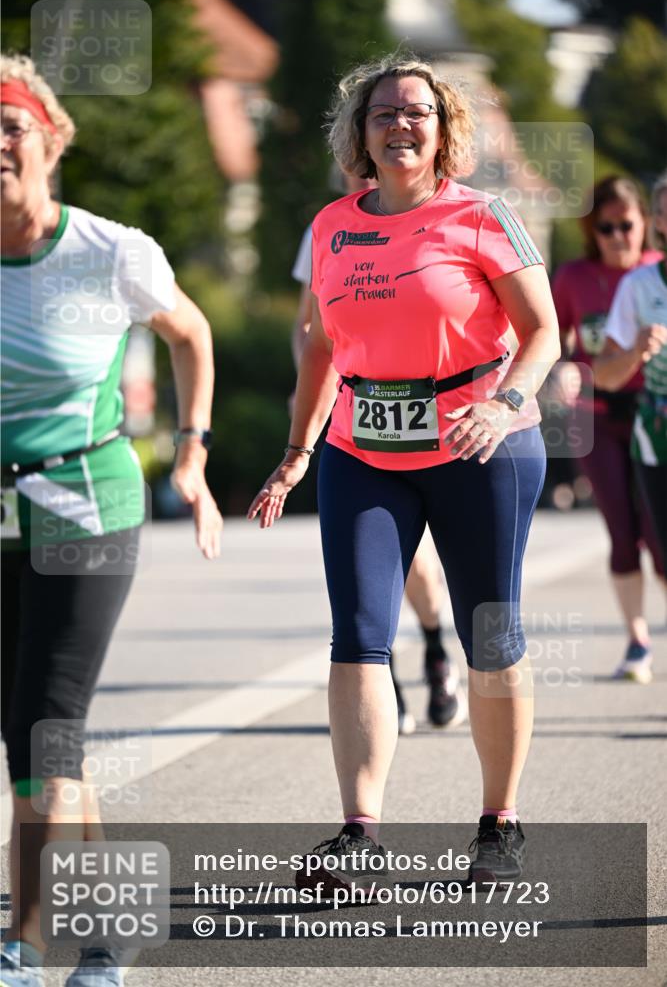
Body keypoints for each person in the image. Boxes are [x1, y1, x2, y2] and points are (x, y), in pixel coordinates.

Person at [249, 54, 559, 887]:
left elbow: (542, 332)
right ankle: (360, 834)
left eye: (415, 112)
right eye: (381, 113)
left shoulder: (484, 216)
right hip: (362, 450)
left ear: (442, 127)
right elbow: (319, 345)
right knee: (356, 637)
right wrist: (296, 452)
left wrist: (503, 403)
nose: (399, 124)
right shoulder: (329, 227)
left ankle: (499, 823)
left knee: (489, 636)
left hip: (478, 445)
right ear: (359, 134)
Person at [0, 55, 222, 987]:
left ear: (51, 139)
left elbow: (192, 334)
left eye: (11, 125)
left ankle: (24, 942)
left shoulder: (107, 250)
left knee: (45, 729)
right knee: (40, 736)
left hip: (87, 505)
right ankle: (112, 925)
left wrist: (193, 450)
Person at [291, 194, 464, 733]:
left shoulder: (448, 218)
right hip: (360, 420)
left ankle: (437, 647)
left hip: (440, 426)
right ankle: (381, 678)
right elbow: (310, 326)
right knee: (381, 570)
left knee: (424, 573)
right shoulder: (329, 226)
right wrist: (314, 399)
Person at [552, 176, 664, 683]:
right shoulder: (574, 277)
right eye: (606, 227)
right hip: (596, 413)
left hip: (654, 411)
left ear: (647, 224)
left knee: (661, 539)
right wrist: (559, 370)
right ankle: (638, 640)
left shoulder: (655, 275)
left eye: (627, 225)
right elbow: (548, 339)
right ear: (591, 230)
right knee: (623, 534)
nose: (619, 236)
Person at [593, 172, 667, 680]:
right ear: (660, 221)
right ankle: (639, 641)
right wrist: (638, 351)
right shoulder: (640, 287)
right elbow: (604, 373)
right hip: (655, 436)